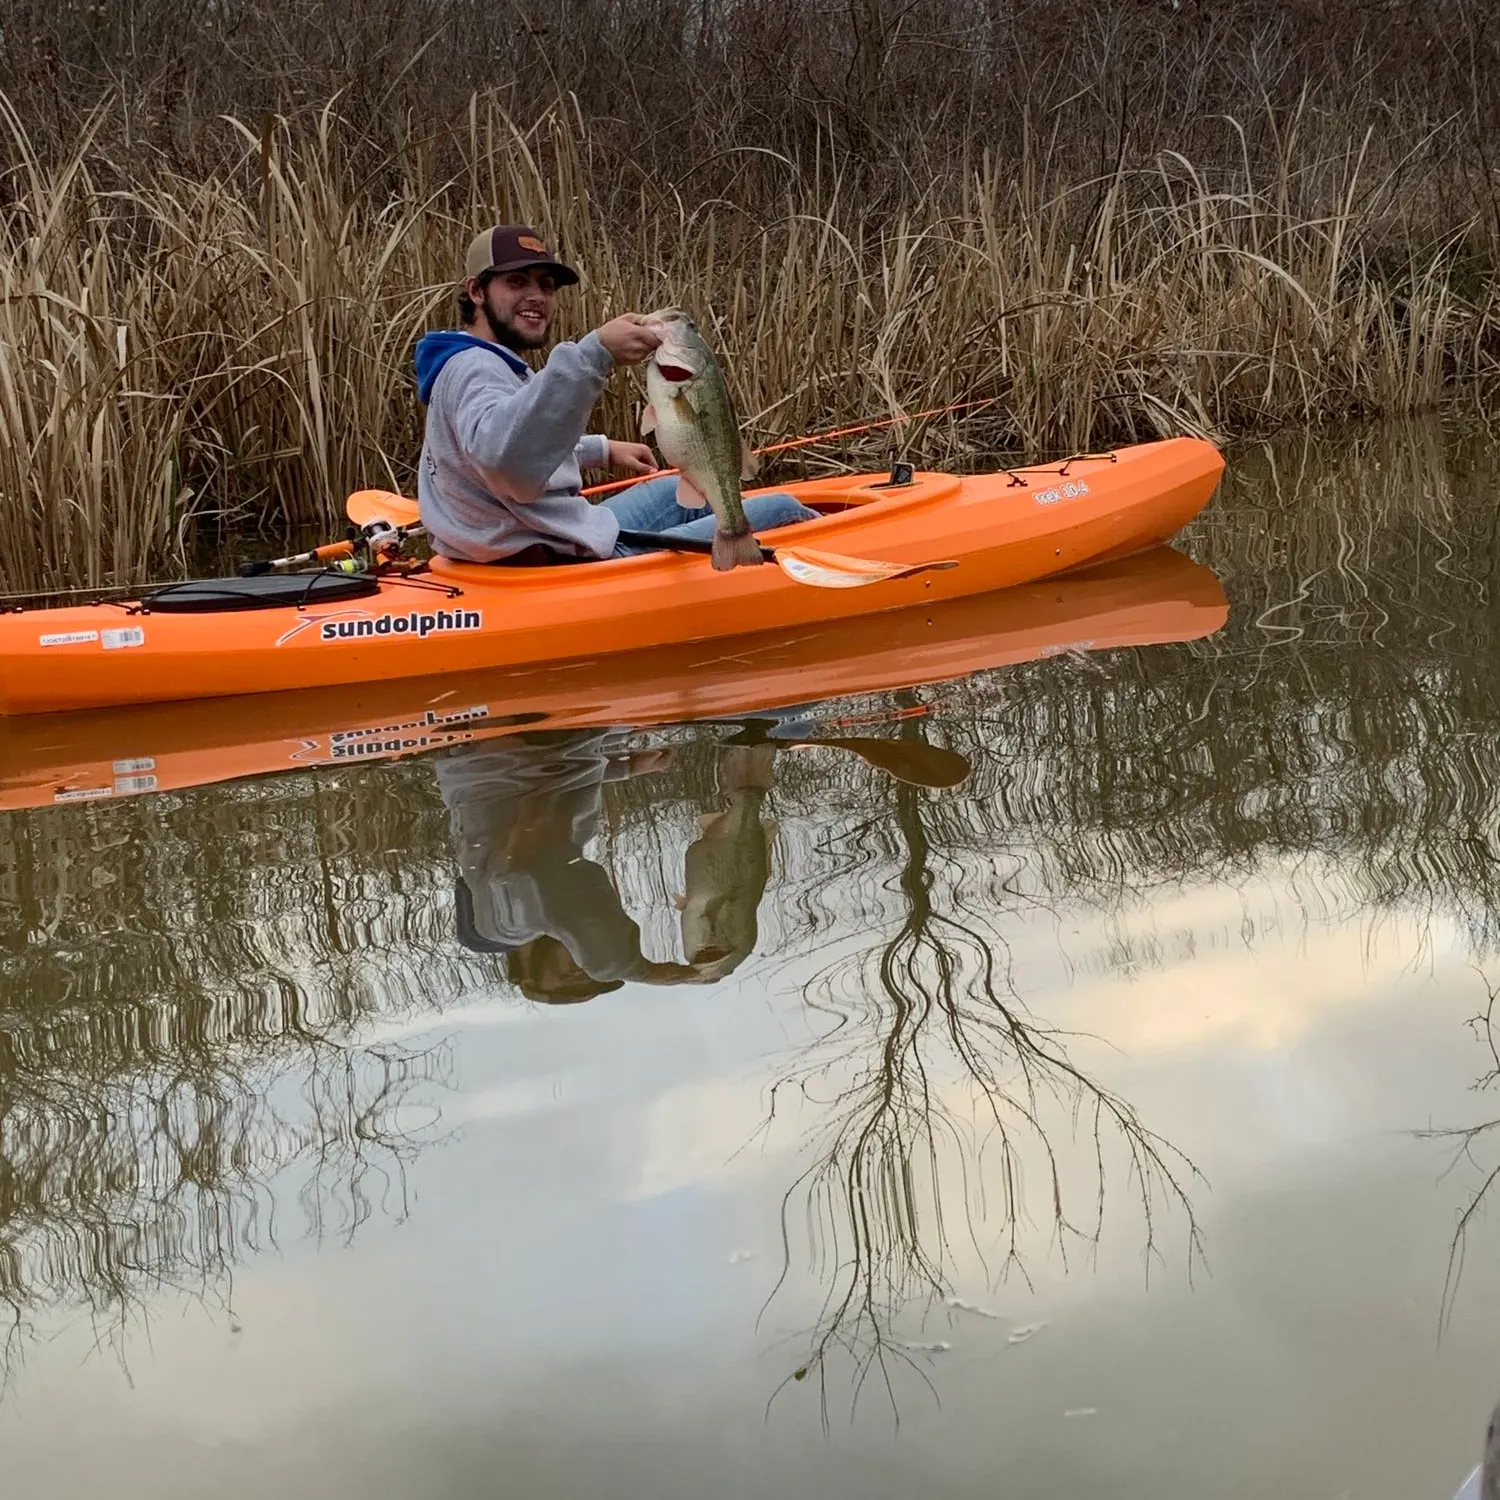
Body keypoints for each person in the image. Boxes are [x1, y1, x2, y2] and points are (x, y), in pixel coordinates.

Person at [413, 224, 819, 565]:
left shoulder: (468, 359)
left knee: (669, 490)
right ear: (477, 292)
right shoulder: (476, 370)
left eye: (547, 286)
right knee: (782, 510)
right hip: (552, 555)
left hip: (535, 529)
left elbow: (492, 444)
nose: (537, 296)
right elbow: (507, 464)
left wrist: (599, 450)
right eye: (516, 282)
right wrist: (596, 354)